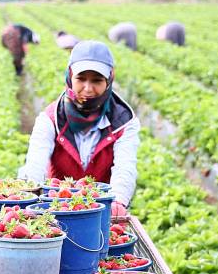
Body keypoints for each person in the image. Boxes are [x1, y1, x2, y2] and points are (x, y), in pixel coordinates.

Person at [17, 40, 140, 218]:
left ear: (109, 79)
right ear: (70, 76)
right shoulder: (51, 118)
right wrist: (28, 196)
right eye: (81, 79)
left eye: (97, 80)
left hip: (101, 211)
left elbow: (125, 167)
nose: (88, 89)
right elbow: (35, 164)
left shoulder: (123, 121)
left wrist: (118, 201)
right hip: (56, 210)